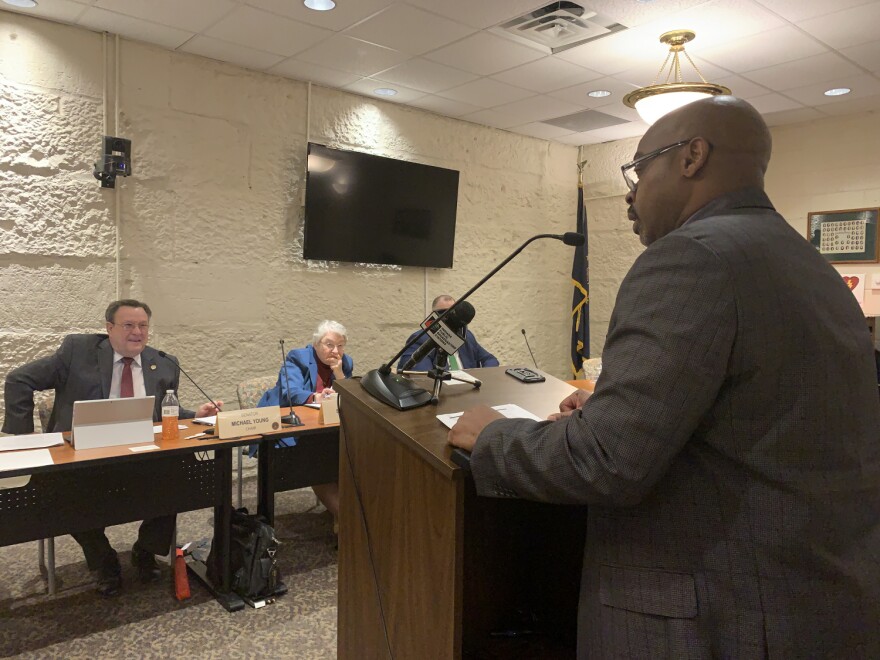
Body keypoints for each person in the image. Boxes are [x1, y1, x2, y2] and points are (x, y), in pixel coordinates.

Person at [448, 97, 880, 657]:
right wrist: (613, 411)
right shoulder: (809, 264)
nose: (630, 192)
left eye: (638, 168)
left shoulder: (690, 258)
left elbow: (607, 462)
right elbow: (760, 418)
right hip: (811, 598)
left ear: (692, 156)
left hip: (715, 616)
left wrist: (492, 437)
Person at [2, 299, 222, 597]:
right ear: (109, 328)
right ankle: (103, 561)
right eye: (128, 325)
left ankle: (145, 550)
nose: (137, 332)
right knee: (64, 493)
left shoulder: (165, 362)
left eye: (143, 325)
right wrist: (21, 438)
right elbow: (19, 380)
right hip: (84, 455)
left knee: (177, 479)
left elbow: (163, 411)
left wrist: (196, 415)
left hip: (141, 453)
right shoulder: (77, 352)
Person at [258, 320, 353, 519]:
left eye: (340, 345)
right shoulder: (298, 358)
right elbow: (290, 393)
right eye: (329, 344)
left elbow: (351, 397)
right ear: (316, 344)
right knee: (319, 458)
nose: (335, 350)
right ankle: (346, 520)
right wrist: (316, 397)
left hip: (326, 429)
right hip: (286, 425)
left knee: (349, 451)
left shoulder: (345, 362)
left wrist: (339, 373)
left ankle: (348, 514)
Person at [398, 295, 499, 371]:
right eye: (443, 313)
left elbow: (491, 360)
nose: (450, 319)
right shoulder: (420, 338)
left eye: (453, 313)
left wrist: (478, 376)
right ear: (433, 315)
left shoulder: (467, 336)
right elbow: (421, 375)